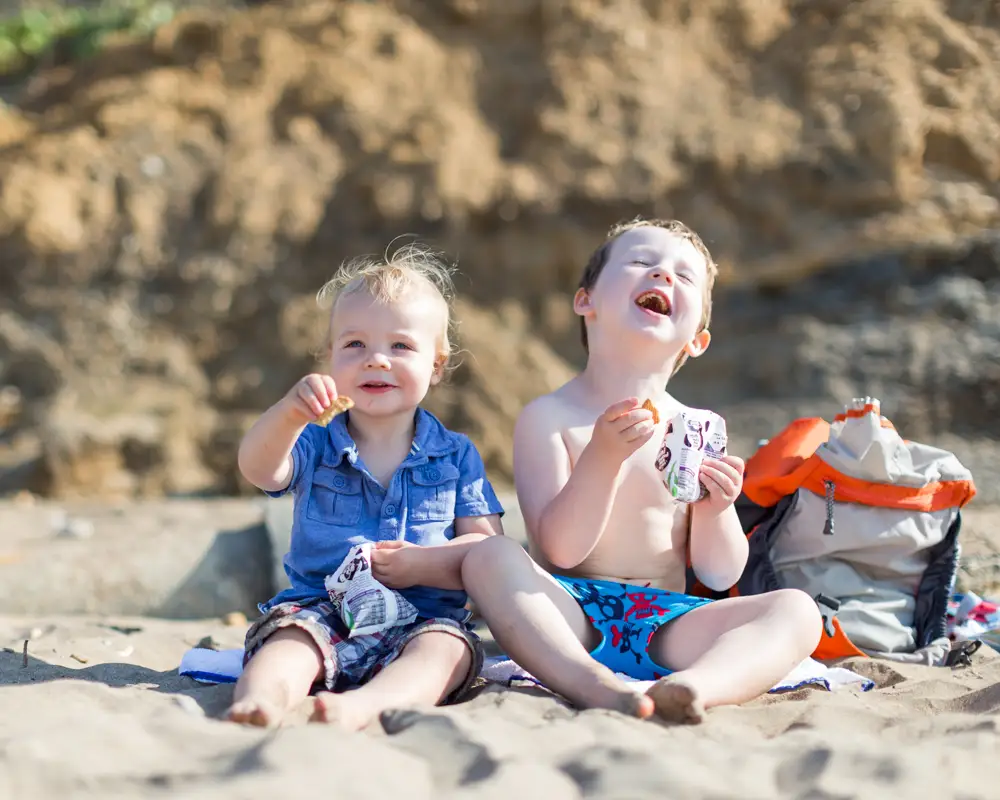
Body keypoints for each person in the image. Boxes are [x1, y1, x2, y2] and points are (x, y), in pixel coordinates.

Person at [461, 219, 822, 723]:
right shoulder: (550, 417)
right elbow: (562, 550)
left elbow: (719, 574)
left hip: (668, 620)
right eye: (639, 261)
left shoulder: (696, 428)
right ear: (586, 300)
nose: (663, 275)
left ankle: (694, 686)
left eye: (684, 276)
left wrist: (717, 510)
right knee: (489, 557)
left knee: (796, 611)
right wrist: (602, 459)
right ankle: (593, 683)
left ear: (697, 339)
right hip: (569, 613)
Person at [228, 244, 504, 729]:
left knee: (445, 653)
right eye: (355, 345)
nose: (376, 360)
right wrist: (290, 413)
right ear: (330, 359)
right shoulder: (312, 442)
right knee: (288, 644)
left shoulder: (456, 454)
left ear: (436, 366)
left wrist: (426, 563)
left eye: (401, 346)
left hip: (423, 616)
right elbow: (259, 469)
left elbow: (488, 549)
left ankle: (363, 706)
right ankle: (263, 702)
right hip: (323, 608)